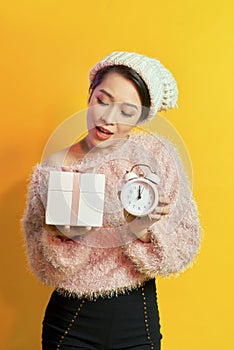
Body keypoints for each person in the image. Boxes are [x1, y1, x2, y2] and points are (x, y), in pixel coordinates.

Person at [22, 51, 201, 350]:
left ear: (142, 116)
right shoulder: (55, 166)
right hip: (70, 322)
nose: (108, 118)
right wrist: (58, 237)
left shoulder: (158, 158)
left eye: (127, 112)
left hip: (137, 317)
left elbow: (184, 247)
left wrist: (143, 230)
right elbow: (43, 269)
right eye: (102, 101)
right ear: (90, 95)